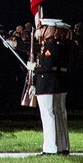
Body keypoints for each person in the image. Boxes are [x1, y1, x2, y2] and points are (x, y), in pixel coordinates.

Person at [30, 18, 70, 155]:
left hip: (47, 84)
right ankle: (60, 146)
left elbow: (47, 65)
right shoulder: (51, 44)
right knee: (56, 115)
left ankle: (50, 148)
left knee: (49, 116)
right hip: (52, 84)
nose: (40, 30)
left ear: (50, 30)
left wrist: (34, 68)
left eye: (43, 28)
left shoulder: (50, 44)